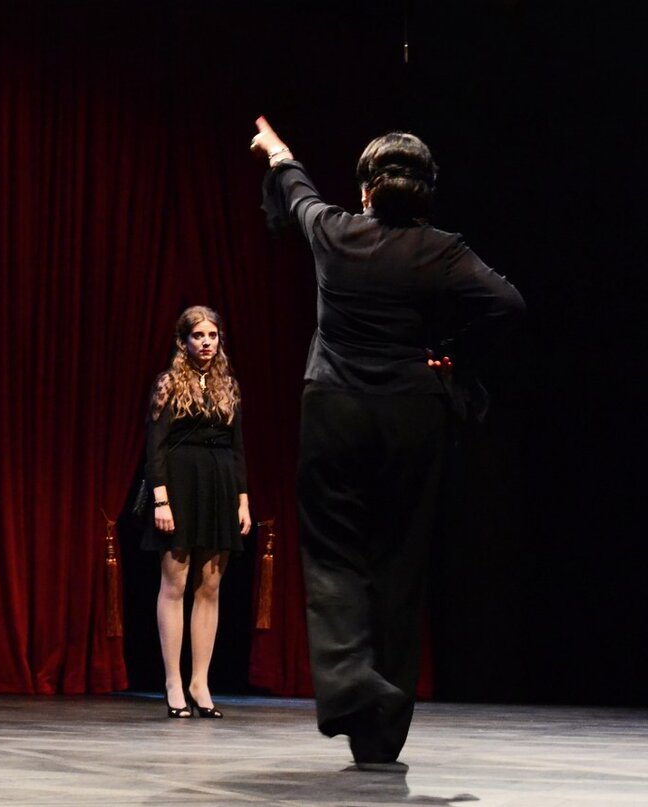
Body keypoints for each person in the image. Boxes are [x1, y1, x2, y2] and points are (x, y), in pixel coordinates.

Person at [249, 117, 525, 768]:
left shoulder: (336, 231)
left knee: (333, 554)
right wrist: (448, 348)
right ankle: (383, 735)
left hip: (335, 410)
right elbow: (509, 304)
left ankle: (350, 683)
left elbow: (297, 193)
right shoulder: (442, 251)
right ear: (424, 191)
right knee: (400, 563)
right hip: (411, 415)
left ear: (367, 190)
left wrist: (280, 152)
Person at [142, 305, 252, 719]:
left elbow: (238, 448)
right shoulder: (169, 383)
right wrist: (161, 499)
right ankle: (173, 682)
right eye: (198, 336)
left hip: (220, 488)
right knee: (175, 583)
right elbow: (155, 447)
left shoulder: (228, 385)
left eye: (212, 335)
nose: (206, 343)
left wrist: (242, 500)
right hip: (181, 487)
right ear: (183, 341)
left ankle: (199, 682)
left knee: (210, 586)